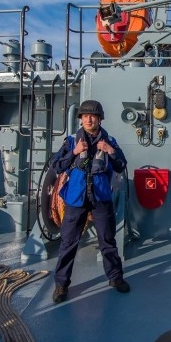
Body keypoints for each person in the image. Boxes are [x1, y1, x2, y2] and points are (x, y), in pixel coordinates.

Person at [50, 99, 130, 303]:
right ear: (80, 119)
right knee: (68, 243)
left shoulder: (109, 140)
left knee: (108, 241)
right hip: (76, 199)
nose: (88, 119)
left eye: (93, 116)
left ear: (100, 119)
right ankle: (61, 285)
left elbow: (121, 165)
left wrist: (111, 151)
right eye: (85, 116)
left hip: (101, 198)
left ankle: (115, 277)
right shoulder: (70, 142)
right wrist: (75, 153)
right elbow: (57, 166)